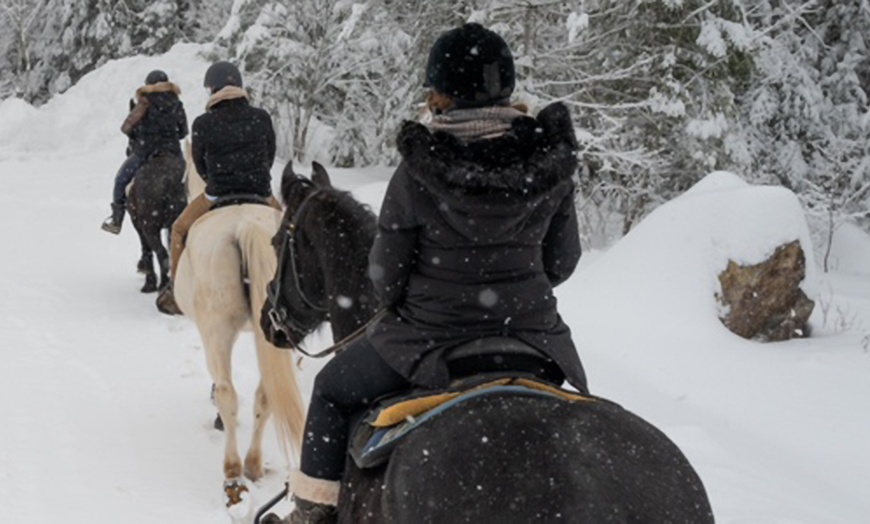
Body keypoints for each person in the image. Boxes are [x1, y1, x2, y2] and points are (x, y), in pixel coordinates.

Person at [270, 23, 587, 524]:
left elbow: (386, 281)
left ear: (441, 96)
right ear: (505, 87)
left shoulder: (419, 171)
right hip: (535, 343)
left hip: (429, 345)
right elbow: (561, 265)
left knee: (330, 391)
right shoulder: (548, 165)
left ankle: (313, 514)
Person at [156, 61, 282, 315]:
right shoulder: (261, 117)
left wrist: (221, 180)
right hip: (260, 193)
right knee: (292, 229)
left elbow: (201, 167)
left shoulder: (203, 123)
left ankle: (176, 292)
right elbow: (269, 156)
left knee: (179, 230)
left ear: (212, 89)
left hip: (219, 194)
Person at [101, 70, 188, 234]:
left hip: (147, 151)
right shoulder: (177, 103)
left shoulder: (144, 102)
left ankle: (116, 219)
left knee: (121, 179)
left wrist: (140, 132)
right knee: (188, 182)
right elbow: (183, 132)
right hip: (173, 152)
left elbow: (126, 127)